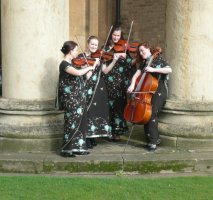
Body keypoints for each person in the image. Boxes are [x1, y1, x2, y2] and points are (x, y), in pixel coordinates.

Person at [127, 42, 172, 151]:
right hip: (148, 91)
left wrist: (154, 70)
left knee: (151, 113)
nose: (142, 53)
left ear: (149, 49)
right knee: (145, 113)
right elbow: (136, 75)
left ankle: (153, 140)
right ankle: (151, 138)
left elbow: (169, 69)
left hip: (159, 89)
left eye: (143, 50)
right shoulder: (144, 63)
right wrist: (133, 85)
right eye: (140, 52)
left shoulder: (158, 59)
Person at [57, 40, 99, 157]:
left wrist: (92, 68)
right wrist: (91, 65)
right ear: (70, 51)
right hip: (71, 99)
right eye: (75, 50)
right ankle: (66, 149)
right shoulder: (64, 64)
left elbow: (85, 77)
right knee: (71, 123)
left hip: (79, 97)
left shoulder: (73, 64)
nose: (77, 52)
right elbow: (78, 73)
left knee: (81, 123)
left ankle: (79, 147)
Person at [102, 26, 135, 141]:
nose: (116, 37)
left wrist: (133, 57)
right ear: (111, 34)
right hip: (108, 82)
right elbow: (103, 67)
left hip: (120, 82)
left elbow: (131, 63)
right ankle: (109, 132)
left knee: (119, 107)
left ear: (121, 36)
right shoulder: (105, 48)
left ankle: (118, 132)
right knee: (109, 107)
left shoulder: (124, 48)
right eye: (114, 35)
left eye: (118, 35)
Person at [78, 36, 112, 148]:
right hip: (87, 86)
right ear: (88, 44)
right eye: (92, 44)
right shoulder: (81, 57)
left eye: (96, 45)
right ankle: (86, 137)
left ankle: (93, 136)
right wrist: (93, 64)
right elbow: (82, 73)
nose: (94, 46)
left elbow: (105, 71)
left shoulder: (100, 57)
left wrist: (115, 60)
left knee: (96, 111)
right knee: (87, 111)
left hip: (98, 87)